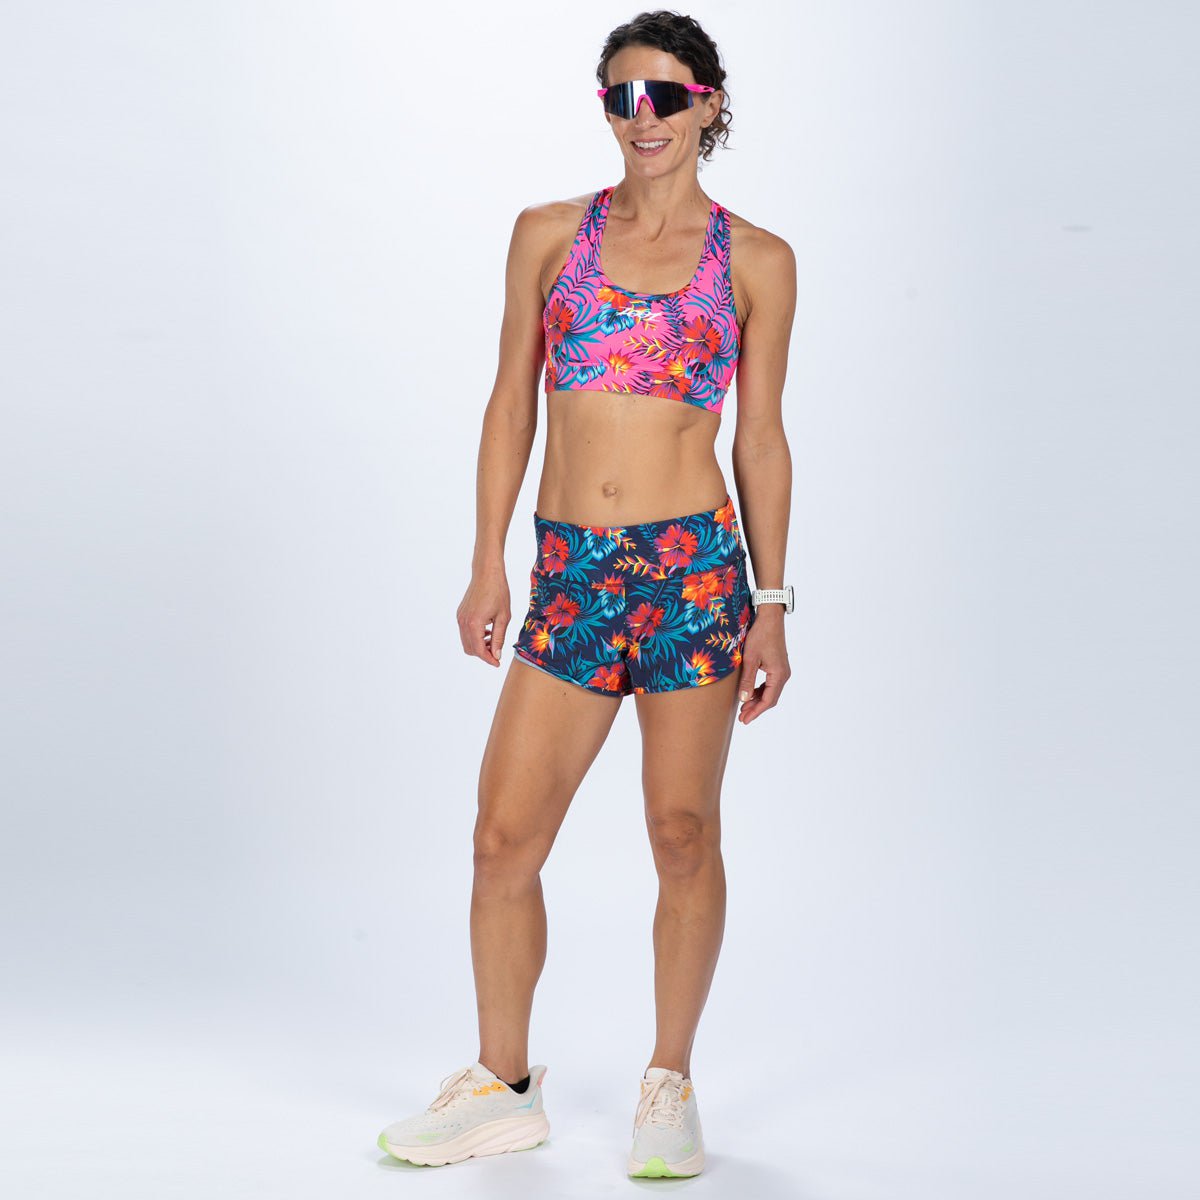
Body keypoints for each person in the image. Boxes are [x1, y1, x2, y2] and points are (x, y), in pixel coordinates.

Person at [378, 10, 796, 1179]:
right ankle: (501, 1087)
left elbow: (761, 439)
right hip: (571, 575)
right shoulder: (549, 235)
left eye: (665, 95)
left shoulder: (757, 261)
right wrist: (487, 559)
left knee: (682, 831)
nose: (642, 117)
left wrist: (772, 601)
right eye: (622, 96)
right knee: (504, 836)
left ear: (710, 104)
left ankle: (670, 1086)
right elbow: (510, 401)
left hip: (693, 574)